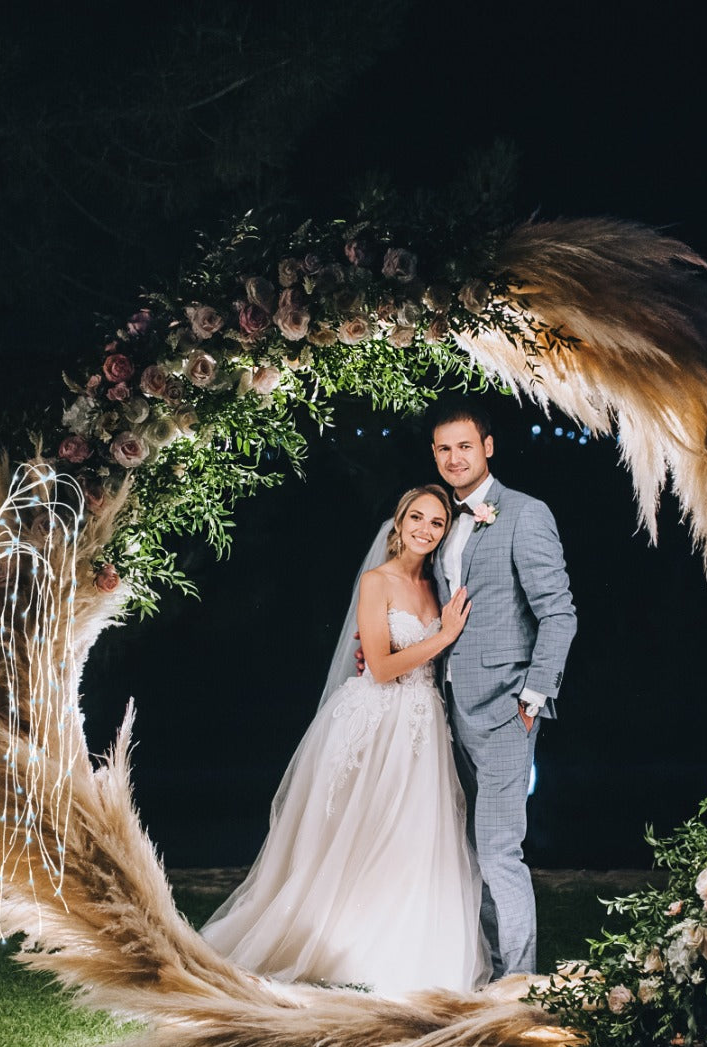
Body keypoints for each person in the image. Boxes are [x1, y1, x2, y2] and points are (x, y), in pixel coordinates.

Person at [200, 486, 491, 996]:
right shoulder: (377, 581)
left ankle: (398, 948)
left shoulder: (437, 587)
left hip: (423, 724)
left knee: (414, 838)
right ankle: (331, 942)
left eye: (438, 523)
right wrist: (440, 639)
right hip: (375, 720)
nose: (426, 529)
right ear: (398, 522)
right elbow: (378, 667)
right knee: (351, 831)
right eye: (417, 518)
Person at [429, 399, 577, 978]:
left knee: (498, 851)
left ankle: (518, 982)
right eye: (443, 448)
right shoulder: (438, 517)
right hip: (446, 709)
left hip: (505, 712)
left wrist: (533, 698)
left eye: (464, 445)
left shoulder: (524, 513)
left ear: (487, 447)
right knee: (467, 853)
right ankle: (485, 972)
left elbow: (559, 614)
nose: (454, 457)